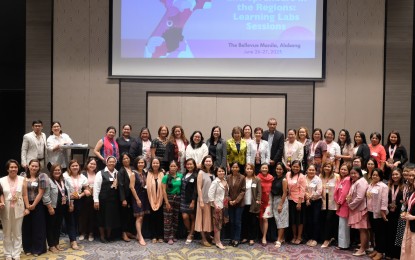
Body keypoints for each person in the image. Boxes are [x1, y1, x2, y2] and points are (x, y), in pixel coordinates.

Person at [0, 159, 29, 260]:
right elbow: (0, 195)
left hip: (19, 208)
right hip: (5, 209)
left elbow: (25, 194)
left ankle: (16, 253)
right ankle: (8, 253)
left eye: (15, 167)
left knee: (17, 232)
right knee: (7, 232)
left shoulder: (22, 179)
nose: (13, 169)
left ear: (18, 168)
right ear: (7, 169)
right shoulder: (1, 180)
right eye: (11, 167)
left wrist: (27, 207)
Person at [22, 159, 48, 256]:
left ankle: (38, 249)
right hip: (25, 204)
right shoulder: (23, 176)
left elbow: (41, 193)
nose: (34, 168)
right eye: (32, 166)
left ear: (39, 167)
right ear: (28, 166)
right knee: (26, 226)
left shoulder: (42, 176)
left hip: (38, 204)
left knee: (38, 227)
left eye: (36, 166)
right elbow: (23, 193)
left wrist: (33, 205)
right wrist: (27, 206)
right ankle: (27, 248)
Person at [43, 164, 70, 253]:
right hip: (52, 207)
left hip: (62, 207)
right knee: (51, 226)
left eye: (59, 170)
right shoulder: (48, 181)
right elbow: (45, 195)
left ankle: (56, 243)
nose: (57, 171)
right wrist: (50, 207)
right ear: (51, 171)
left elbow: (68, 191)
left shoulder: (64, 180)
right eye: (55, 170)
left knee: (58, 226)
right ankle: (51, 245)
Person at [93, 156, 120, 243]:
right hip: (103, 200)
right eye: (110, 162)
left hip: (113, 201)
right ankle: (102, 236)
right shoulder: (100, 173)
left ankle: (109, 235)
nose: (112, 163)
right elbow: (96, 187)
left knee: (110, 219)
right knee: (101, 218)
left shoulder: (117, 173)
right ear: (106, 163)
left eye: (113, 162)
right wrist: (96, 200)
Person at [63, 159, 88, 249]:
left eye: (76, 165)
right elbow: (62, 189)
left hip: (79, 201)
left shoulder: (82, 177)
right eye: (73, 166)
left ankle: (73, 238)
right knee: (70, 221)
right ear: (69, 167)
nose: (75, 167)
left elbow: (87, 189)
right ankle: (73, 241)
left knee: (76, 220)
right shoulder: (65, 176)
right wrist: (70, 199)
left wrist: (81, 195)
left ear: (79, 167)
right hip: (69, 201)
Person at [346, 167, 369, 256]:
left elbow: (360, 197)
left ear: (359, 173)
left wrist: (350, 205)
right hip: (357, 208)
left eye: (355, 173)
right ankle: (364, 246)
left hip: (361, 209)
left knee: (363, 229)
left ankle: (362, 249)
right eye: (351, 173)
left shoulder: (361, 182)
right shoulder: (356, 181)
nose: (352, 175)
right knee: (362, 229)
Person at [366, 168, 388, 260]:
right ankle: (376, 249)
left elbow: (384, 200)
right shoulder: (370, 185)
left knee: (380, 233)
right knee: (374, 232)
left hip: (379, 213)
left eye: (377, 175)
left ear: (380, 176)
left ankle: (380, 252)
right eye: (373, 175)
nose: (374, 176)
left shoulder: (383, 186)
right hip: (371, 211)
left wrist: (383, 212)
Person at [129, 156, 150, 246]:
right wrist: (137, 199)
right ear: (136, 164)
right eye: (139, 163)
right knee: (139, 217)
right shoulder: (133, 173)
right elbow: (131, 187)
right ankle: (140, 237)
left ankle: (138, 234)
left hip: (145, 196)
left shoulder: (145, 172)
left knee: (142, 217)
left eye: (142, 162)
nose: (141, 164)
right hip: (137, 197)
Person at [195, 155, 214, 247]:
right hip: (203, 200)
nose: (208, 163)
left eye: (210, 161)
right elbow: (198, 187)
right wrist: (201, 200)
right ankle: (203, 239)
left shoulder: (213, 174)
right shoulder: (201, 173)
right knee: (202, 220)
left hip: (211, 202)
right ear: (203, 162)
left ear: (212, 162)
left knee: (208, 220)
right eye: (206, 161)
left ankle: (207, 236)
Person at [161, 160, 182, 244]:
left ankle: (173, 235)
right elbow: (163, 191)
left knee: (175, 217)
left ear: (177, 167)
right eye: (171, 166)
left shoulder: (180, 175)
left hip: (178, 197)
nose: (173, 168)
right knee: (168, 218)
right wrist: (166, 202)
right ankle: (168, 237)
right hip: (168, 198)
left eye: (174, 166)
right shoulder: (165, 177)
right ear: (169, 167)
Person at [319, 161, 340, 248]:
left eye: (329, 167)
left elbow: (339, 189)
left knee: (329, 220)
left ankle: (327, 240)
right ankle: (327, 237)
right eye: (325, 166)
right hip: (323, 201)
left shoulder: (336, 176)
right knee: (323, 220)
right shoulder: (320, 176)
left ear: (332, 168)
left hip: (333, 201)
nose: (327, 168)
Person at [385, 168, 404, 259]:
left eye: (397, 174)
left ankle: (396, 254)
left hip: (399, 215)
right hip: (389, 213)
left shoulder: (404, 187)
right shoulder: (388, 186)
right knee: (389, 233)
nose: (395, 176)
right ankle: (388, 253)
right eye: (393, 175)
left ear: (401, 175)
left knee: (398, 235)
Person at [208, 166, 228, 250]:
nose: (221, 172)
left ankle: (215, 240)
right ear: (216, 173)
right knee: (217, 225)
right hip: (217, 206)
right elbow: (210, 194)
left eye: (223, 171)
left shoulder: (225, 181)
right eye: (219, 171)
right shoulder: (215, 182)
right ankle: (218, 242)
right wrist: (215, 205)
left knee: (220, 224)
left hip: (224, 206)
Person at [286, 160, 306, 245]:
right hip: (290, 199)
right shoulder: (287, 174)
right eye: (294, 166)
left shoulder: (301, 176)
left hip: (299, 201)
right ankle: (294, 236)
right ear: (291, 167)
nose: (295, 168)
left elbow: (302, 190)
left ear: (300, 167)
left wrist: (299, 203)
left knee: (299, 220)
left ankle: (299, 237)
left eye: (297, 167)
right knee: (293, 220)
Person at [241, 163, 261, 246]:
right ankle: (245, 237)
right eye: (247, 168)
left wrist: (258, 200)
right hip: (243, 203)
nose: (249, 170)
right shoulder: (242, 179)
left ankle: (251, 238)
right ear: (245, 170)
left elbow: (259, 192)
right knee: (244, 221)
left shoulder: (257, 179)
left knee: (252, 222)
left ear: (253, 170)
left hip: (252, 204)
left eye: (250, 169)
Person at [227, 161, 246, 247]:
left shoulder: (242, 177)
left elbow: (243, 191)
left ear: (239, 168)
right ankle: (231, 238)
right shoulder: (227, 177)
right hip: (230, 203)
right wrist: (230, 200)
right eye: (233, 167)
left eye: (236, 167)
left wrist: (236, 201)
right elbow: (225, 190)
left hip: (239, 204)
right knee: (231, 222)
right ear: (231, 168)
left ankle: (237, 239)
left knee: (237, 222)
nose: (235, 169)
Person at [117, 153, 136, 242]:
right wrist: (123, 199)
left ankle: (128, 231)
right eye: (124, 159)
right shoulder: (121, 171)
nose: (126, 160)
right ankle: (123, 233)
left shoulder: (132, 169)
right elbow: (120, 185)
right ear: (121, 161)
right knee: (124, 215)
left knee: (130, 215)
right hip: (125, 197)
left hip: (132, 196)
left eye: (127, 158)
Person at [79, 158, 98, 242]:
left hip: (94, 198)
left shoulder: (97, 173)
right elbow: (79, 184)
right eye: (91, 163)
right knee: (83, 215)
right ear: (87, 164)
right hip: (84, 197)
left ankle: (91, 233)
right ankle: (82, 232)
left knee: (92, 215)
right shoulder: (82, 173)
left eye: (94, 164)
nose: (92, 165)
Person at [146, 157, 165, 243]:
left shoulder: (162, 173)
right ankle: (153, 236)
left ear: (159, 164)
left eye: (157, 163)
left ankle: (160, 236)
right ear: (151, 164)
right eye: (154, 163)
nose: (155, 165)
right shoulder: (148, 173)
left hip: (161, 199)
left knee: (160, 218)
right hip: (151, 199)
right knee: (152, 218)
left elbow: (164, 187)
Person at [334, 163, 352, 250]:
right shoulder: (342, 179)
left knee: (343, 225)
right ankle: (344, 243)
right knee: (342, 225)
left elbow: (344, 193)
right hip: (341, 204)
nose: (343, 171)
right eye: (342, 169)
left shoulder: (347, 179)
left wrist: (339, 203)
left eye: (345, 170)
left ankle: (343, 245)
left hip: (343, 205)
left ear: (348, 171)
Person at [180, 158, 198, 245]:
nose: (189, 166)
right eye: (188, 164)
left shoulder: (196, 175)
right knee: (185, 217)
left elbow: (195, 190)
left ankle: (191, 234)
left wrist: (193, 201)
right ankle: (189, 230)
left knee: (192, 217)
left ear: (194, 165)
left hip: (191, 200)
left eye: (191, 164)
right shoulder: (184, 174)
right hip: (183, 199)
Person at [304, 164, 322, 247]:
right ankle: (309, 238)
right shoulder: (303, 178)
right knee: (308, 220)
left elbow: (319, 191)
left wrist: (310, 197)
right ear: (307, 170)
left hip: (316, 202)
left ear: (315, 171)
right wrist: (306, 198)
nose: (311, 171)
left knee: (316, 220)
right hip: (306, 201)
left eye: (313, 170)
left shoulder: (318, 179)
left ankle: (315, 239)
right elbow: (301, 188)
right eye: (310, 170)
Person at [271, 162, 288, 248]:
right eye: (277, 169)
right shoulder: (274, 178)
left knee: (282, 220)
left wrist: (281, 204)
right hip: (275, 200)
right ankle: (282, 238)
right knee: (278, 220)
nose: (278, 170)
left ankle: (278, 240)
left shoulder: (284, 179)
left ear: (283, 170)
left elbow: (285, 193)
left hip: (282, 200)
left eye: (280, 169)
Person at [258, 163, 274, 246]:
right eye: (263, 168)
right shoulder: (257, 178)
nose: (264, 169)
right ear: (260, 169)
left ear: (268, 169)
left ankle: (264, 237)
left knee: (265, 218)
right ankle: (262, 234)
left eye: (266, 168)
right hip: (260, 200)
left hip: (268, 201)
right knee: (260, 219)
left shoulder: (271, 178)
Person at [401, 168, 415, 260]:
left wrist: (413, 217)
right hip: (410, 224)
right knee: (409, 248)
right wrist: (406, 213)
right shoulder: (412, 192)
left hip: (413, 221)